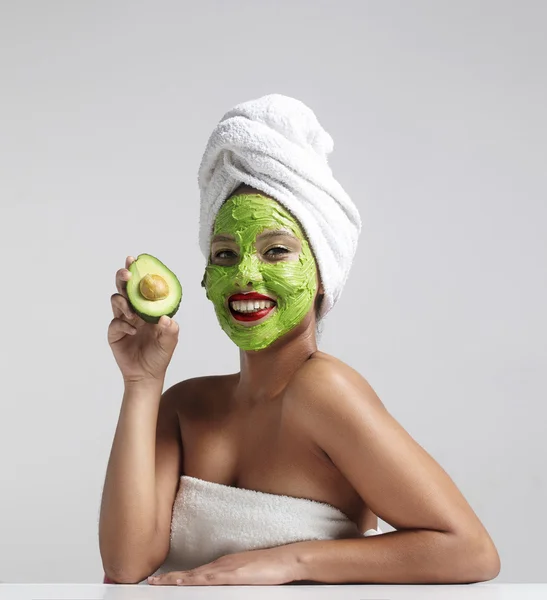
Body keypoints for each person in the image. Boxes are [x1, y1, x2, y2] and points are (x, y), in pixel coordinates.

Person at [99, 95, 500, 586]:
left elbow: (470, 551)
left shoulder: (323, 390)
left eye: (277, 251)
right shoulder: (183, 405)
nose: (246, 273)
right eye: (225, 254)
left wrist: (292, 560)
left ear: (321, 275)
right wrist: (142, 382)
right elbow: (124, 567)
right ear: (205, 279)